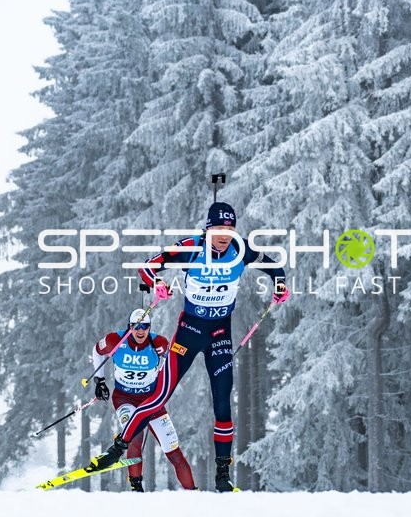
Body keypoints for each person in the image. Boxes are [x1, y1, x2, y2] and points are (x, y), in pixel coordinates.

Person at [89, 202, 289, 491]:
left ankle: (223, 475)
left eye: (229, 230)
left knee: (223, 403)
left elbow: (274, 267)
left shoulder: (241, 249)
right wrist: (157, 283)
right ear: (208, 229)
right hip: (189, 332)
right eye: (218, 229)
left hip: (220, 334)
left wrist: (280, 286)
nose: (224, 236)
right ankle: (117, 449)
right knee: (158, 396)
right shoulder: (191, 247)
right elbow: (147, 267)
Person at [86, 308, 196, 491]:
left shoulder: (159, 343)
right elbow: (97, 351)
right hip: (125, 399)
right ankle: (136, 488)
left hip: (152, 401)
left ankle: (194, 493)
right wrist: (100, 381)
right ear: (129, 327)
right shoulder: (115, 340)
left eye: (144, 326)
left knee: (172, 449)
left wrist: (192, 346)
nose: (140, 330)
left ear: (149, 328)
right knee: (135, 436)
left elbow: (177, 357)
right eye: (135, 326)